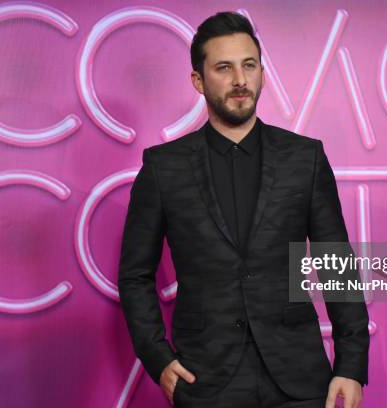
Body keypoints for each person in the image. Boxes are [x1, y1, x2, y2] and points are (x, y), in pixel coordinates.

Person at [118, 11, 369, 408]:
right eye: (224, 67)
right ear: (198, 81)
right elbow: (135, 275)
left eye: (249, 65)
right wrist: (158, 358)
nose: (240, 80)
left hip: (299, 377)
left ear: (262, 73)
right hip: (204, 378)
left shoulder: (305, 159)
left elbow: (335, 263)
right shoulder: (164, 167)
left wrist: (351, 365)